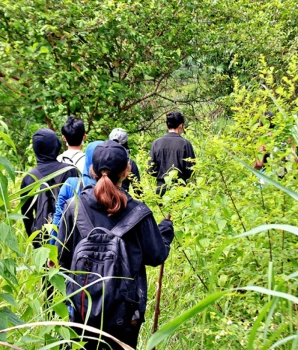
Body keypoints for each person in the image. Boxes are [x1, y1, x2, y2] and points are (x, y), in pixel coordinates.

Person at [56, 140, 174, 349]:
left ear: (92, 169)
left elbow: (62, 257)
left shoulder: (72, 207)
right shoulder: (139, 212)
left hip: (81, 311)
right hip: (126, 316)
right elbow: (156, 256)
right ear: (127, 171)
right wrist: (165, 232)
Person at [21, 128, 78, 246]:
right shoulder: (70, 170)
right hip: (68, 236)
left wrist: (35, 241)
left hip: (42, 237)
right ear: (55, 146)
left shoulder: (28, 178)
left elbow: (26, 214)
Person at [49, 140, 104, 245]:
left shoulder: (71, 185)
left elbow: (58, 219)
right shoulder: (118, 190)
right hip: (109, 254)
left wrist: (52, 249)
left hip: (76, 251)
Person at [147, 111, 196, 196]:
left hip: (161, 188)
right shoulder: (185, 144)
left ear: (167, 125)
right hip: (180, 189)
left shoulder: (156, 143)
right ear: (181, 126)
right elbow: (191, 169)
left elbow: (150, 169)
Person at [109, 127, 141, 194]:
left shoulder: (103, 160)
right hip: (123, 198)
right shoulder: (130, 163)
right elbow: (138, 190)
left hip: (104, 198)